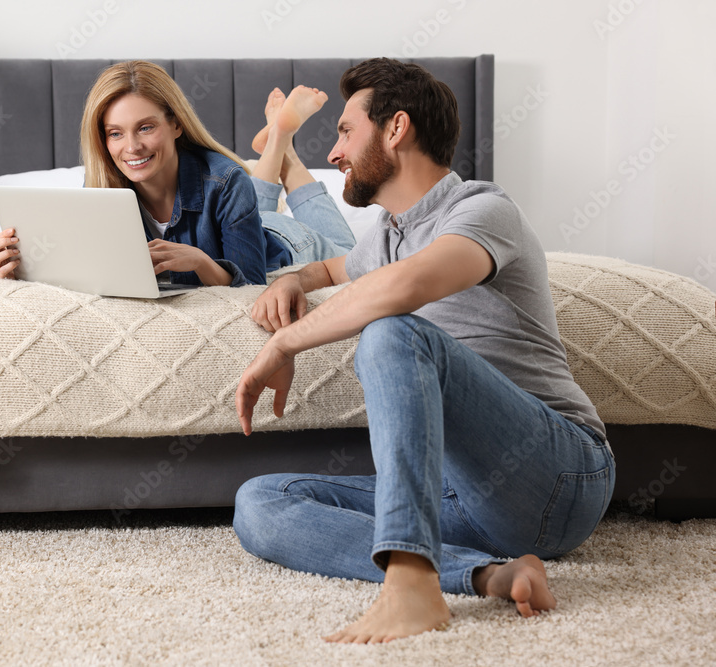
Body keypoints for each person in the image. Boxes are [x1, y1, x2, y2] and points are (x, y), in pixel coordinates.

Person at [232, 58, 615, 643]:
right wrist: (296, 280)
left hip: (558, 475)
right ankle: (483, 575)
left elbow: (405, 287)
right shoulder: (387, 235)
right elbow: (339, 266)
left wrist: (287, 340)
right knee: (260, 501)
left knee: (392, 329)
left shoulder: (484, 210)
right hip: (460, 498)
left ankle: (408, 586)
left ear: (396, 128)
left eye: (343, 132)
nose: (334, 155)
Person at [0, 60, 354, 285]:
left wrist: (201, 264)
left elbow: (254, 282)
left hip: (287, 242)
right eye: (115, 133)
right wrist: (22, 261)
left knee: (353, 256)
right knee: (251, 203)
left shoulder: (225, 180)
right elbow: (86, 266)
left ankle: (285, 151)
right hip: (244, 216)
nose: (131, 148)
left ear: (176, 125)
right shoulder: (103, 185)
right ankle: (279, 140)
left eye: (146, 128)